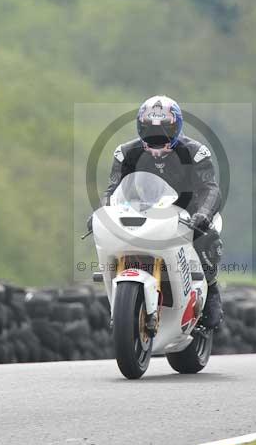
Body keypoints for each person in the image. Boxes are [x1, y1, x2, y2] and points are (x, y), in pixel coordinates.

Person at [88, 96, 224, 329]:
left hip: (187, 213)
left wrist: (203, 214)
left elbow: (211, 188)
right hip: (141, 211)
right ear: (140, 127)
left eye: (165, 129)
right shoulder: (125, 153)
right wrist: (101, 212)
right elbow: (113, 188)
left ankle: (210, 288)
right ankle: (122, 291)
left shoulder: (196, 152)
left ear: (177, 127)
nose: (157, 136)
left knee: (208, 236)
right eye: (150, 129)